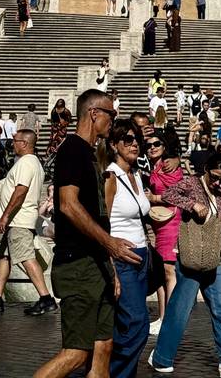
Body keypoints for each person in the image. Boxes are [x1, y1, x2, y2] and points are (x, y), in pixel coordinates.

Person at [33, 89, 139, 378]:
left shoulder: (90, 154)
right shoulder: (72, 149)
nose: (113, 120)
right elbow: (68, 205)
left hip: (97, 264)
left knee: (103, 347)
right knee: (76, 353)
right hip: (77, 264)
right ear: (94, 113)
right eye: (111, 114)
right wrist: (111, 245)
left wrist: (110, 266)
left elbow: (97, 217)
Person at [149, 153, 221, 377]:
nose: (218, 183)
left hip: (211, 259)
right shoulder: (192, 183)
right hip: (192, 258)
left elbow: (212, 217)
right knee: (180, 311)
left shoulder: (217, 192)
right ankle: (161, 357)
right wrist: (192, 204)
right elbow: (168, 193)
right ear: (206, 169)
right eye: (215, 177)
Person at [103, 120, 152, 378]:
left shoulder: (136, 173)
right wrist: (111, 265)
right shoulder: (110, 177)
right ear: (114, 145)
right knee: (137, 324)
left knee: (127, 324)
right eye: (127, 140)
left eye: (136, 140)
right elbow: (103, 224)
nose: (134, 144)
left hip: (142, 258)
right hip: (122, 259)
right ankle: (111, 372)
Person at [0, 129, 57, 316]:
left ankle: (46, 298)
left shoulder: (27, 163)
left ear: (24, 143)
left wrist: (5, 216)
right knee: (4, 256)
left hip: (18, 220)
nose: (13, 144)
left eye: (15, 140)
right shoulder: (30, 162)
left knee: (26, 258)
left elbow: (20, 191)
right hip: (16, 220)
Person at [147, 131, 184, 337]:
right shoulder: (155, 165)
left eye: (157, 144)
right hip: (160, 223)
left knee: (169, 272)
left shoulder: (170, 165)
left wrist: (154, 197)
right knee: (162, 272)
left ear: (164, 146)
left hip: (171, 222)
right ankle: (162, 318)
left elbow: (177, 195)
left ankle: (169, 319)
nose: (152, 147)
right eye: (149, 144)